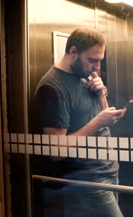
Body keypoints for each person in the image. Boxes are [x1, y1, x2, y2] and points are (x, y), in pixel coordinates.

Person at [35, 28, 126, 217]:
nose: (97, 66)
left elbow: (106, 121)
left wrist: (101, 95)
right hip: (87, 180)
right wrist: (98, 122)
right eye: (92, 60)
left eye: (100, 60)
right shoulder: (53, 87)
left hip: (107, 171)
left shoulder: (85, 76)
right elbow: (56, 151)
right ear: (73, 52)